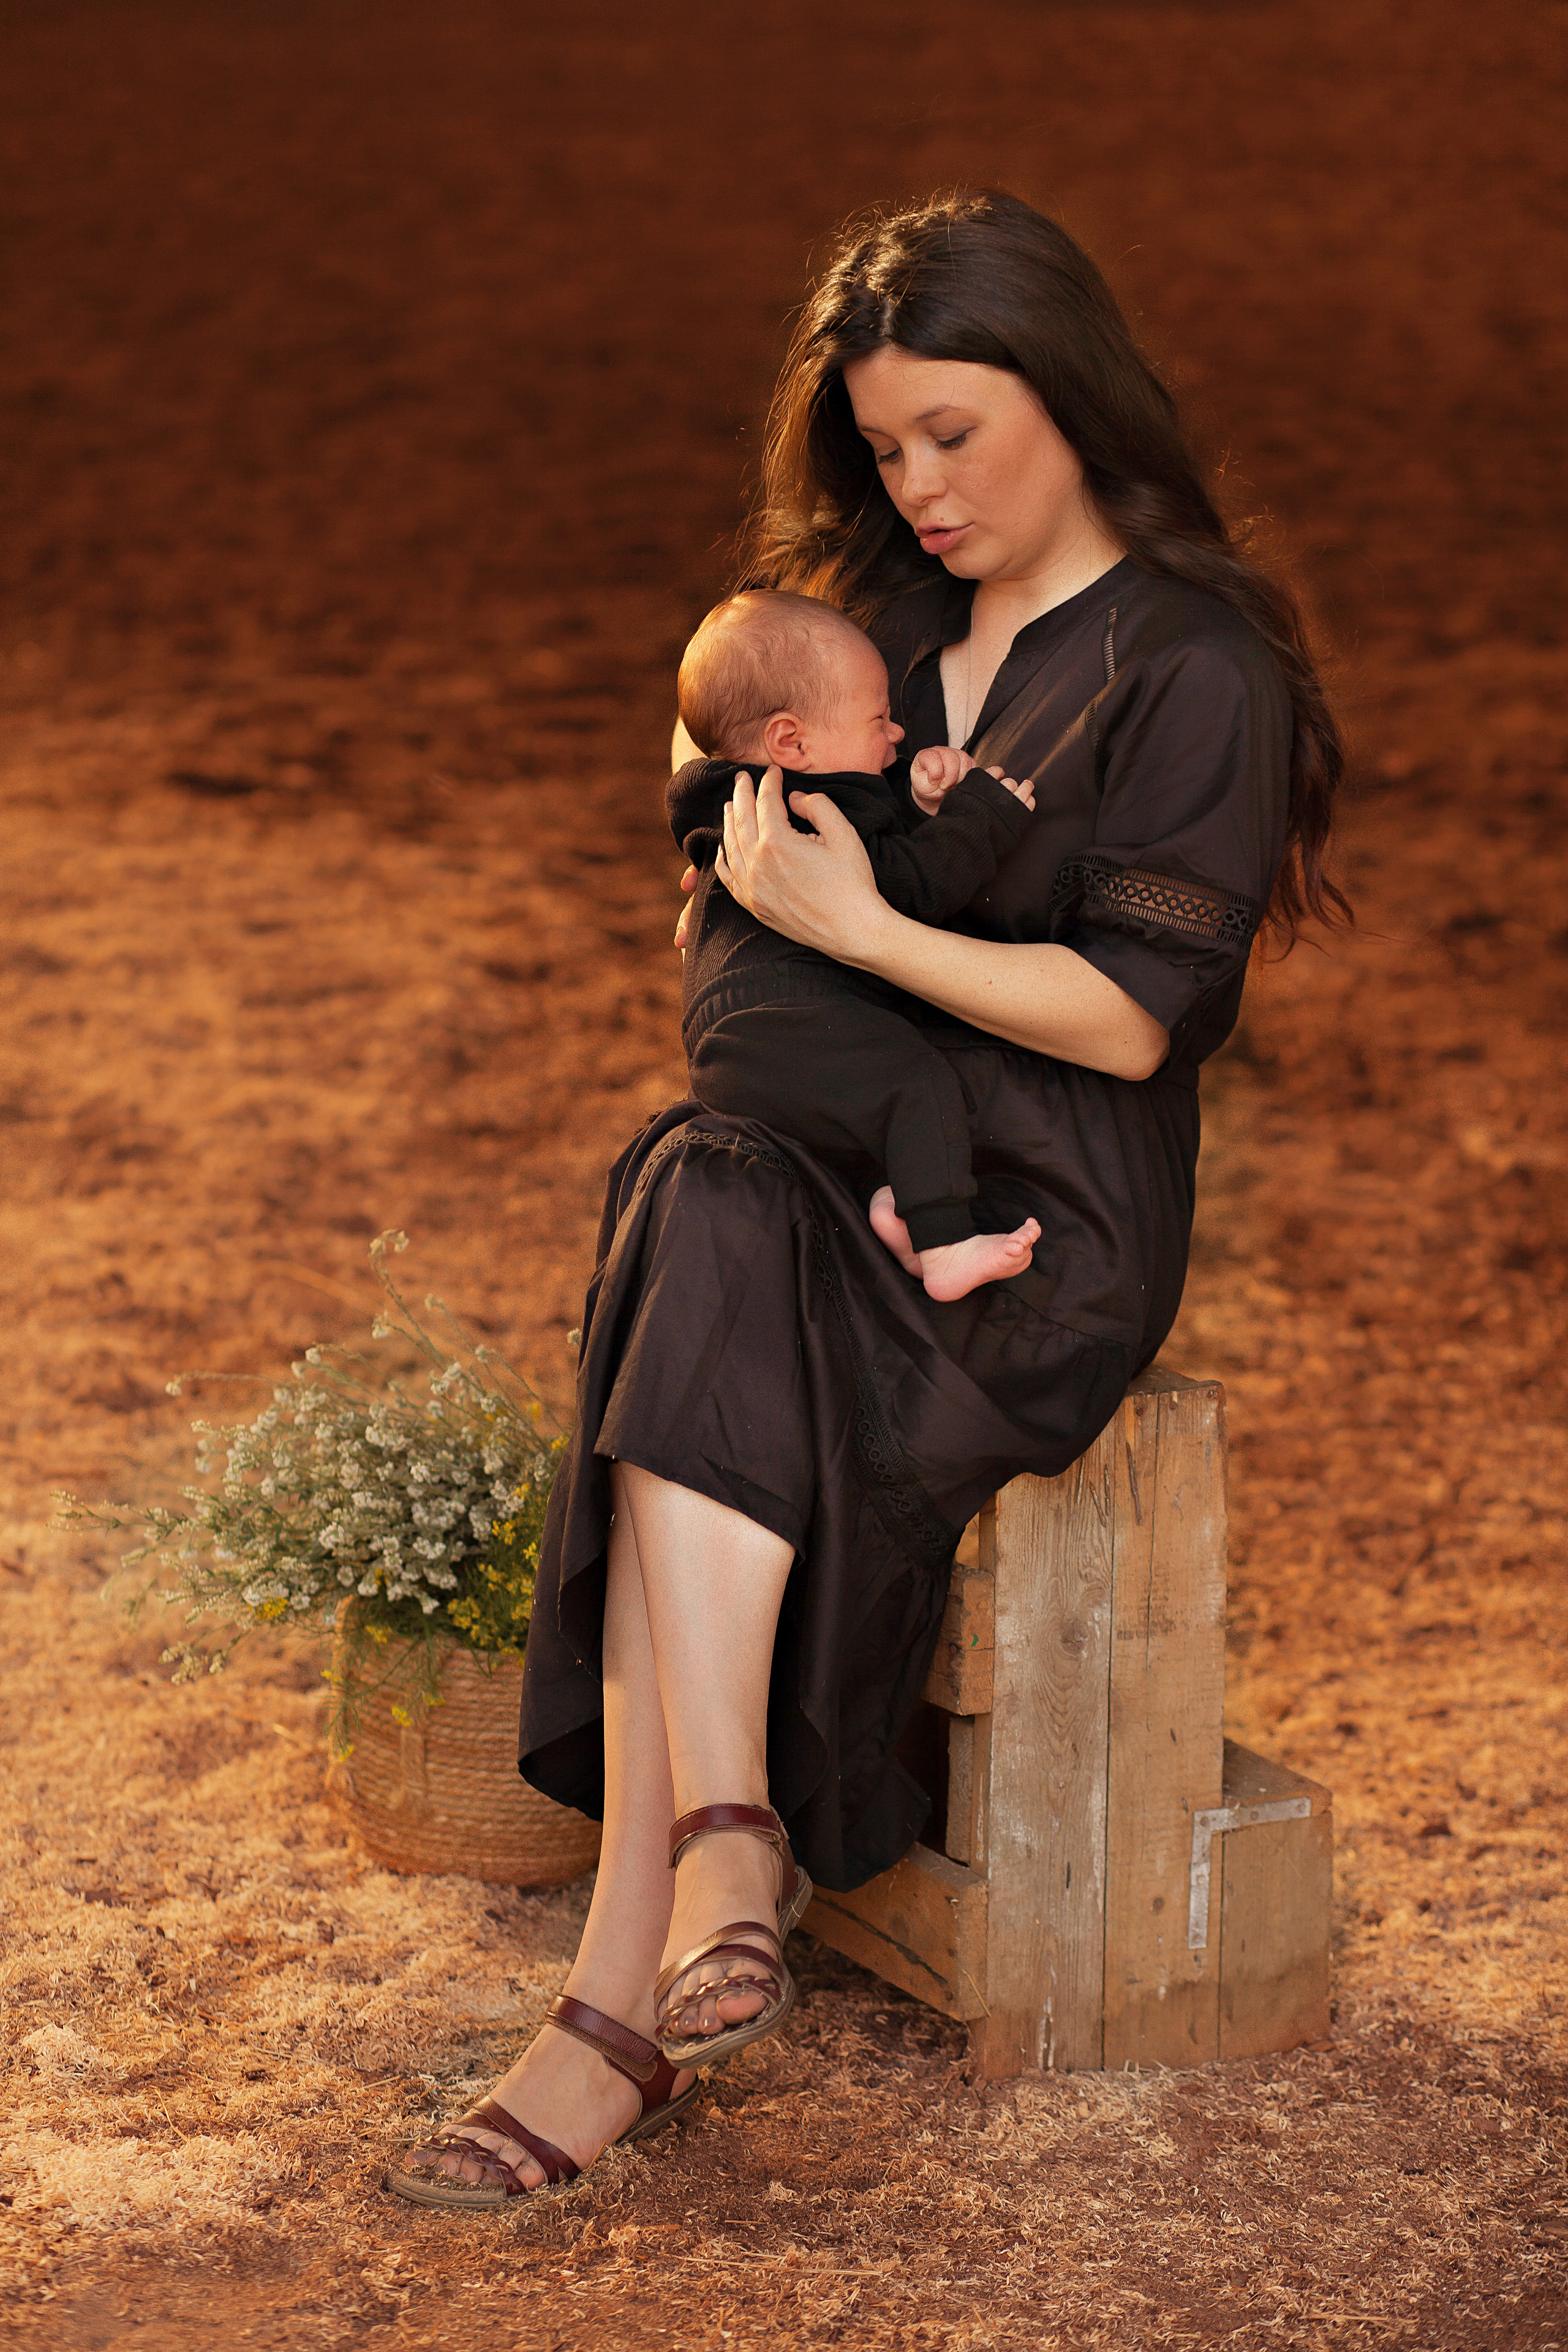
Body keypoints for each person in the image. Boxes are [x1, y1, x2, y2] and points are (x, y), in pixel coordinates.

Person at [388, 186, 1344, 2210]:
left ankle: (610, 2005)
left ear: (1071, 397)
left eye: (955, 434)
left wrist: (853, 922)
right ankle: (722, 1843)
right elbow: (712, 848)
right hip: (818, 1185)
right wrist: (714, 792)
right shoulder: (871, 630)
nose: (915, 485)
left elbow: (1135, 1027)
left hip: (1046, 1243)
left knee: (693, 1225)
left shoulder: (1197, 658)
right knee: (696, 1180)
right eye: (884, 443)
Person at [673, 586, 1044, 1300]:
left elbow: (871, 857)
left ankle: (896, 1199)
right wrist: (980, 818)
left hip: (732, 1035)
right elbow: (906, 892)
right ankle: (944, 1245)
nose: (896, 734)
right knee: (917, 1080)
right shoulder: (813, 806)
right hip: (786, 1016)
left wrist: (917, 803)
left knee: (864, 1086)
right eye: (879, 719)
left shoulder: (747, 808)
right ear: (792, 743)